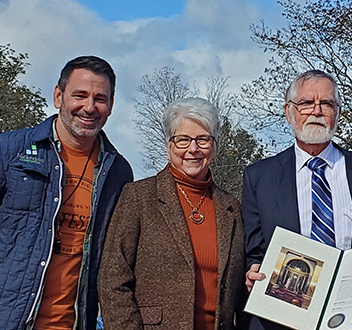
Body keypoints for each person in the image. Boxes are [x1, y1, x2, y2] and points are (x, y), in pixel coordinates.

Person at [0, 56, 133, 330]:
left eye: (101, 98)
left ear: (111, 105)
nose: (89, 107)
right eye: (80, 95)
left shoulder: (118, 172)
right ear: (58, 96)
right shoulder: (8, 150)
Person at [241, 70, 352, 329]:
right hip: (282, 318)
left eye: (327, 103)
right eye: (306, 103)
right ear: (289, 111)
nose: (317, 111)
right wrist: (253, 270)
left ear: (337, 113)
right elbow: (254, 252)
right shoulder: (258, 178)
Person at [99, 98, 245, 330]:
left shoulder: (231, 207)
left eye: (203, 139)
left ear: (214, 146)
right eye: (183, 140)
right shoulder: (139, 197)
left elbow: (238, 290)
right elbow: (113, 278)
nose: (193, 148)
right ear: (169, 145)